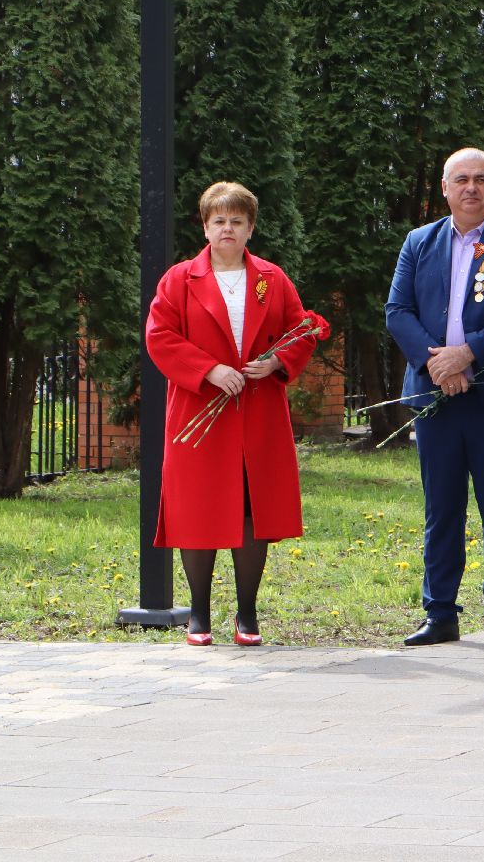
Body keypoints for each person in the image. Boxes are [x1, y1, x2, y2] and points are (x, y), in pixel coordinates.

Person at [386, 147, 484, 648]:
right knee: (442, 507)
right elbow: (398, 310)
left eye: (480, 179)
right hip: (436, 397)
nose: (471, 188)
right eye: (461, 180)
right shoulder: (419, 242)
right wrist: (438, 363)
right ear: (445, 187)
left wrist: (469, 356)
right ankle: (440, 613)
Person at [145, 182, 319, 646]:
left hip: (257, 411)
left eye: (237, 221)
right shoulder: (179, 280)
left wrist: (277, 362)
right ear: (205, 227)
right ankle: (198, 613)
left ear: (250, 228)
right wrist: (209, 370)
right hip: (199, 409)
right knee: (196, 507)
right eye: (219, 220)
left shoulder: (272, 279)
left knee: (250, 507)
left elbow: (300, 330)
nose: (228, 228)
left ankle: (247, 613)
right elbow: (160, 337)